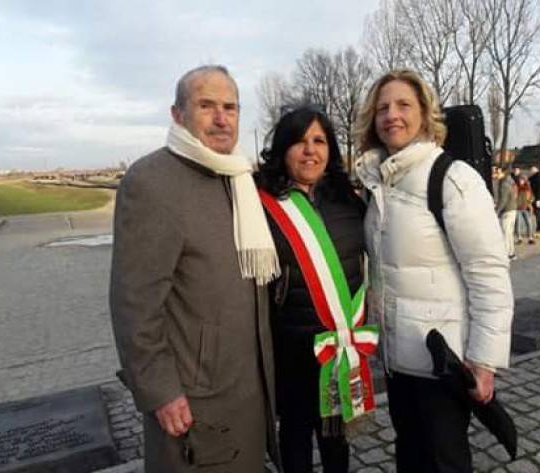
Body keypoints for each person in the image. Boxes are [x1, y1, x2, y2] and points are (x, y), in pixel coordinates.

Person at [109, 65, 281, 473]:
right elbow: (134, 302)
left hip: (247, 385)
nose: (222, 118)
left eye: (230, 107)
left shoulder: (238, 176)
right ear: (177, 114)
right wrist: (161, 391)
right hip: (194, 395)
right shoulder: (153, 181)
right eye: (206, 106)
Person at [354, 70, 514, 473]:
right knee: (410, 455)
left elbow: (489, 274)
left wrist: (484, 361)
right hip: (398, 361)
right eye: (383, 107)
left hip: (440, 365)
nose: (392, 115)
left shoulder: (453, 179)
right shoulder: (378, 186)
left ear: (425, 115)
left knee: (444, 462)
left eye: (404, 105)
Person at [255, 106, 376, 473]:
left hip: (342, 346)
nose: (310, 150)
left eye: (319, 141)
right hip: (292, 349)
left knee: (336, 439)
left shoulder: (348, 199)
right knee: (295, 439)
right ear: (282, 149)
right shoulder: (258, 205)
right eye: (299, 141)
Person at [495, 167, 519, 260]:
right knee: (509, 233)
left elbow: (503, 200)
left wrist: (497, 211)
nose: (496, 174)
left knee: (505, 233)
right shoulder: (510, 181)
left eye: (497, 172)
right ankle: (511, 253)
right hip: (513, 208)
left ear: (503, 173)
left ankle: (505, 255)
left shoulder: (504, 184)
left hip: (507, 210)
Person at [515, 175, 536, 245]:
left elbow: (532, 197)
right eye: (520, 180)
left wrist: (530, 201)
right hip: (518, 208)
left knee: (529, 223)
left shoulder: (528, 188)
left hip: (526, 208)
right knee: (518, 223)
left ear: (525, 181)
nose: (520, 181)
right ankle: (519, 238)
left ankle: (530, 238)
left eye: (522, 180)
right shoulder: (516, 188)